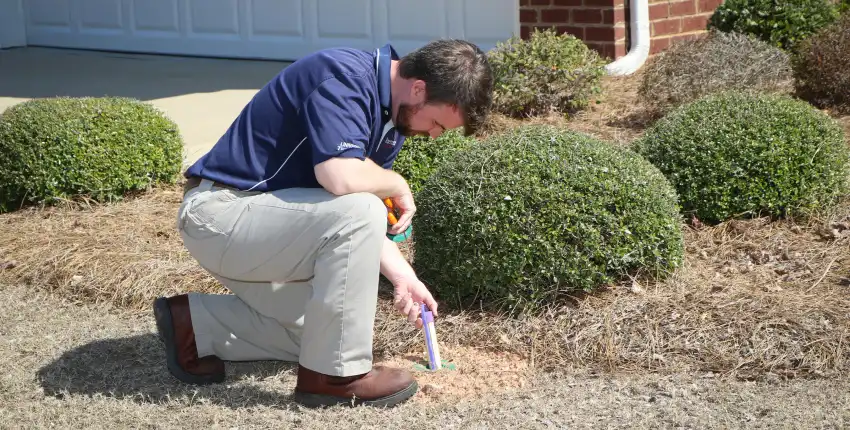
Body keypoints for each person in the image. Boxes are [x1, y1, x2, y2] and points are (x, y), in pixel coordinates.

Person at [152, 39, 493, 408]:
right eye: (439, 123)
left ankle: (195, 324)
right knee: (362, 217)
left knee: (323, 333)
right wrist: (397, 184)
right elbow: (340, 180)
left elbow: (346, 210)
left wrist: (404, 278)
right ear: (418, 88)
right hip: (219, 215)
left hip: (264, 227)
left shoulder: (394, 117)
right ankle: (334, 377)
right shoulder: (342, 76)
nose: (435, 134)